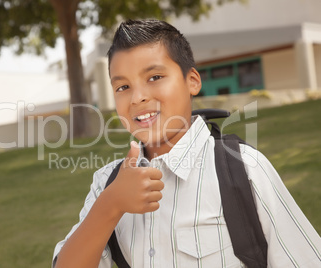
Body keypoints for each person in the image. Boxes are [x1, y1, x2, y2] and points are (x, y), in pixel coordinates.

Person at [52, 19, 321, 268]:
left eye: (154, 77)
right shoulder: (107, 183)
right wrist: (110, 205)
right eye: (123, 87)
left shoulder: (243, 168)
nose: (137, 98)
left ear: (192, 81)